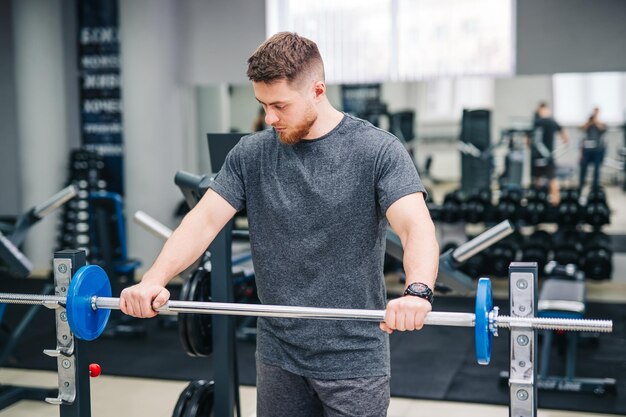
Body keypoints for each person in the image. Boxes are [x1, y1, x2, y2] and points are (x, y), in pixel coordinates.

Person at [120, 32, 438, 417]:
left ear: (317, 90)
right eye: (262, 105)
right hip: (278, 357)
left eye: (279, 105)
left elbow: (414, 226)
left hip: (354, 358)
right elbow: (202, 221)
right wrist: (154, 279)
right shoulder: (251, 154)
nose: (269, 117)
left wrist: (417, 291)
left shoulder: (377, 151)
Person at [530, 102, 569, 205]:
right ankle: (540, 202)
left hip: (546, 157)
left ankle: (555, 202)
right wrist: (565, 140)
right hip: (539, 156)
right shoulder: (538, 122)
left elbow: (563, 134)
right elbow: (528, 138)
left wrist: (565, 140)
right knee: (539, 180)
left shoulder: (549, 122)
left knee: (551, 179)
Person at [579, 107, 607, 193]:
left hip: (597, 149)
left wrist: (596, 121)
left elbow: (603, 129)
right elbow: (582, 128)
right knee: (583, 167)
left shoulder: (601, 123)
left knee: (597, 169)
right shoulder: (589, 122)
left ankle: (595, 187)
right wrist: (589, 121)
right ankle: (581, 184)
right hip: (587, 150)